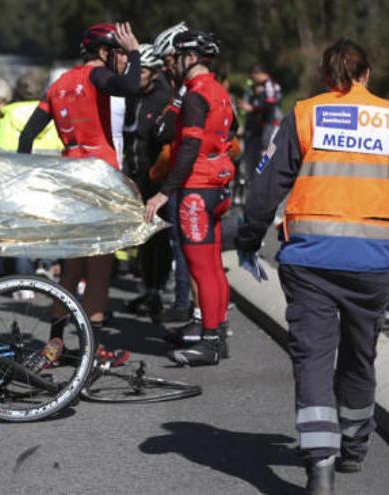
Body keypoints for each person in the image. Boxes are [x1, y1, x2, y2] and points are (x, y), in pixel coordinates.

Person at [233, 39, 389, 494]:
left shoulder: (304, 114)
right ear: (367, 74)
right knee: (360, 357)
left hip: (311, 262)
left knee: (314, 362)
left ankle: (320, 464)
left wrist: (247, 240)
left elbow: (265, 189)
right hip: (374, 262)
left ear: (326, 76)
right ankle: (354, 447)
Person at [18, 22, 141, 332]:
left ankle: (55, 341)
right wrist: (137, 53)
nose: (122, 59)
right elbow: (130, 87)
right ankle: (95, 347)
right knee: (100, 261)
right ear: (102, 52)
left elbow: (27, 136)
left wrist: (23, 176)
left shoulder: (59, 83)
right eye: (118, 53)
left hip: (71, 175)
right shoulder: (96, 75)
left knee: (73, 262)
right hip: (100, 175)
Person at [143, 30, 236, 367]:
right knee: (213, 266)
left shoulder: (195, 95)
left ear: (189, 57)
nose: (173, 63)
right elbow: (231, 131)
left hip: (198, 189)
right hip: (219, 185)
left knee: (202, 268)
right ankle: (218, 334)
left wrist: (165, 192)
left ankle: (209, 341)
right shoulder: (219, 91)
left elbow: (190, 147)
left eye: (177, 56)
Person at [123, 43, 172, 320]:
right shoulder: (132, 96)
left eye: (142, 70)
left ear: (154, 72)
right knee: (144, 238)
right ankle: (147, 288)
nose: (137, 74)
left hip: (158, 177)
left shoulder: (163, 96)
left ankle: (156, 290)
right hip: (137, 175)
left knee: (159, 237)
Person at [151, 21, 195, 324]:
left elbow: (165, 130)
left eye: (168, 60)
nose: (167, 67)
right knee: (183, 243)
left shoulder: (188, 88)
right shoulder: (181, 85)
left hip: (190, 177)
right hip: (184, 173)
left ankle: (187, 306)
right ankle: (191, 309)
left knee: (187, 244)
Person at [238, 63, 283, 179]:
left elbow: (270, 104)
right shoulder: (264, 86)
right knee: (265, 150)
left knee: (268, 150)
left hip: (272, 124)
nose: (254, 80)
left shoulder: (269, 85)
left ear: (259, 74)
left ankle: (265, 174)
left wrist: (253, 108)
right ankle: (262, 175)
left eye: (254, 76)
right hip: (267, 125)